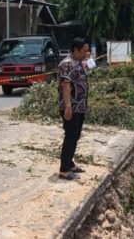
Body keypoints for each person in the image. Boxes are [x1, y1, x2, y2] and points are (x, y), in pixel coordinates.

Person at [57, 37, 90, 180]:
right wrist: (68, 108)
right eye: (84, 51)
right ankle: (64, 169)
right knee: (70, 136)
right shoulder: (67, 64)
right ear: (76, 50)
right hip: (72, 107)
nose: (86, 54)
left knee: (75, 136)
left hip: (80, 106)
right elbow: (65, 85)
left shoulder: (78, 62)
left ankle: (70, 164)